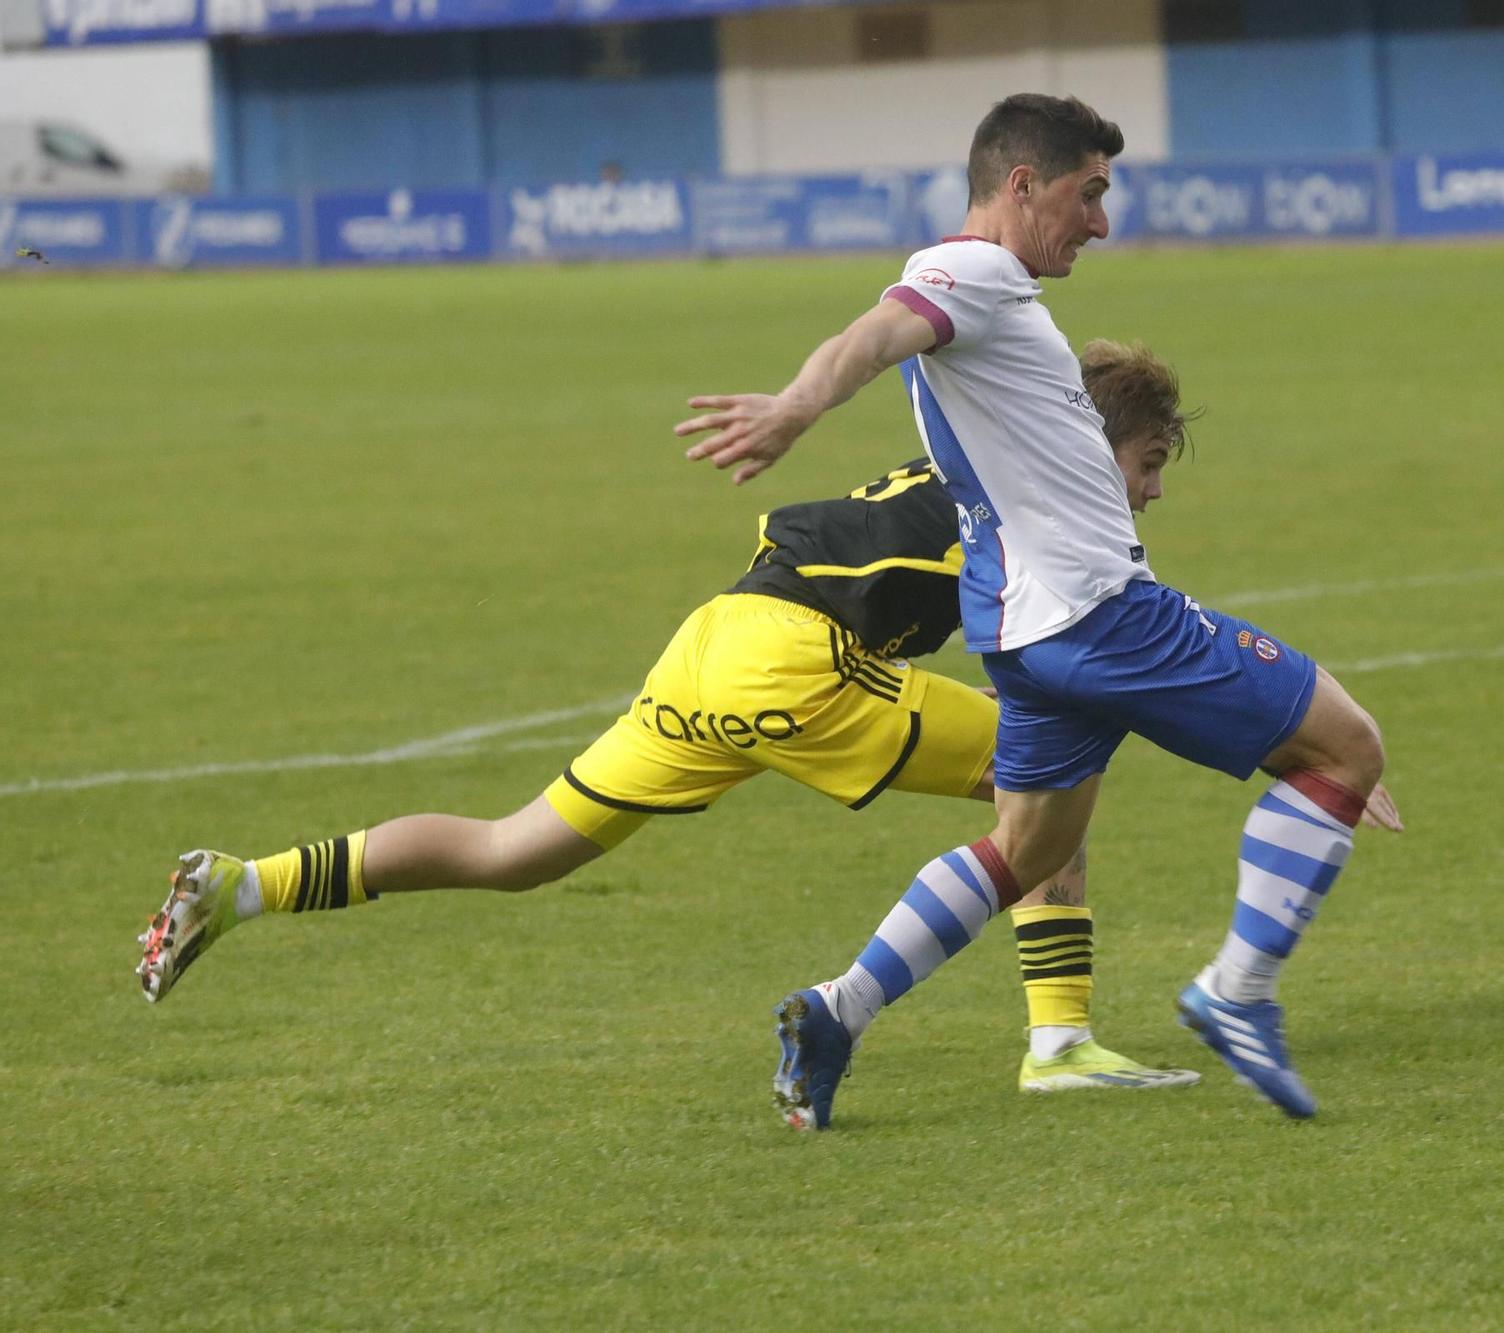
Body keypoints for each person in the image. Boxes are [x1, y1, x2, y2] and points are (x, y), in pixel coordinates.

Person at [134, 339, 1209, 1096]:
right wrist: (1303, 744)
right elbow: (1107, 662)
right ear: (1084, 442)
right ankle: (1051, 1039)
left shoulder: (976, 465)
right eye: (1147, 463)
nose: (1152, 490)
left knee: (516, 848)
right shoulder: (1042, 507)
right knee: (1052, 775)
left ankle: (242, 883)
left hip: (716, 641)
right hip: (797, 662)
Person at [676, 93, 1399, 1129]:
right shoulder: (969, 271)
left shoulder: (1002, 302)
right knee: (1349, 748)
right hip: (1099, 617)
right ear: (1021, 185)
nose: (1099, 223)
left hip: (1023, 631)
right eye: (1087, 193)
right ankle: (1235, 993)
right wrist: (795, 405)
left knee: (1022, 848)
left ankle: (839, 1010)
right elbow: (875, 331)